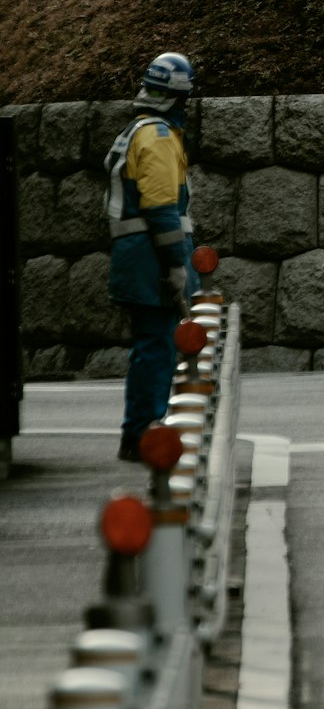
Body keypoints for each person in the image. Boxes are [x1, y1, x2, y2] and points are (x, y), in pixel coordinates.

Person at [105, 52, 199, 462]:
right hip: (150, 262)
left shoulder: (136, 130)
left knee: (150, 347)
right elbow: (162, 209)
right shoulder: (159, 136)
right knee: (157, 349)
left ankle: (140, 431)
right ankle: (144, 435)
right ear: (180, 97)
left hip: (135, 257)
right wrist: (177, 264)